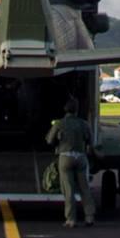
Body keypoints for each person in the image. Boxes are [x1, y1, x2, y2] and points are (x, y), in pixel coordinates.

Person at [43, 97, 95, 228]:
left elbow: (49, 140)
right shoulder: (83, 124)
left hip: (65, 156)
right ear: (77, 110)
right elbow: (91, 142)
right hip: (80, 157)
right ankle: (89, 217)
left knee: (69, 189)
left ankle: (71, 219)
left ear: (65, 110)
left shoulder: (60, 123)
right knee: (85, 188)